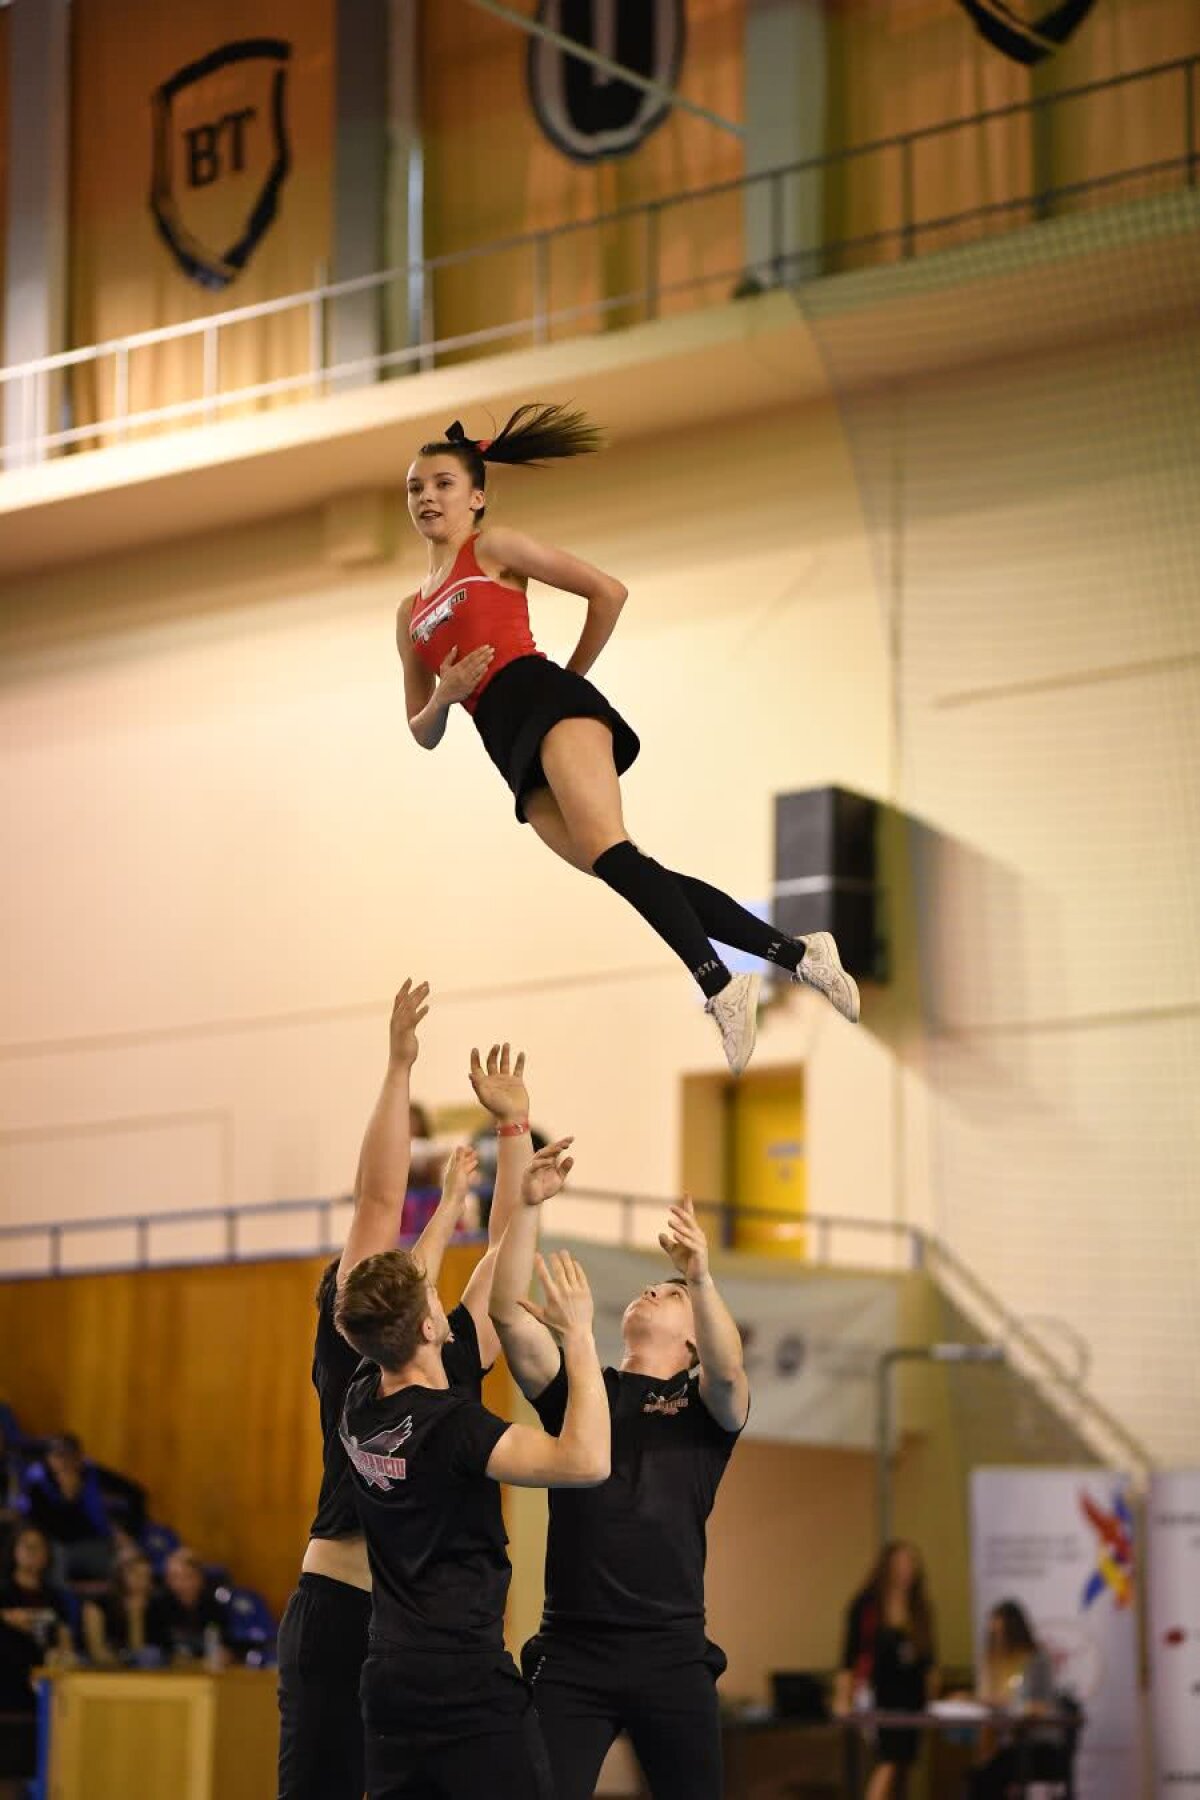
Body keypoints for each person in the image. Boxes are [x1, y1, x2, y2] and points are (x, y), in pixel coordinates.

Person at [395, 405, 860, 1078]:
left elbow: (606, 593)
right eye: (415, 488)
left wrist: (566, 682)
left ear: (476, 496)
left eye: (441, 483)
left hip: (544, 701)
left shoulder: (492, 548)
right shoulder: (409, 614)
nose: (427, 497)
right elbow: (423, 731)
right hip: (503, 740)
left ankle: (719, 983)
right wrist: (445, 691)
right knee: (627, 870)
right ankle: (800, 954)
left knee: (614, 854)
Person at [275, 979, 541, 1800]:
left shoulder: (447, 1350)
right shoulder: (353, 1347)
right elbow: (379, 1200)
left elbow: (505, 1256)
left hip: (428, 1648)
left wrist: (515, 1135)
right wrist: (398, 1067)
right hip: (348, 1604)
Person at [337, 1143, 610, 1800]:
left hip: (390, 1684)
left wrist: (510, 1202)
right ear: (431, 1327)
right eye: (432, 1297)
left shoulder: (360, 1400)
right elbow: (587, 1460)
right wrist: (579, 1340)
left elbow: (414, 1296)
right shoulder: (455, 1427)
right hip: (463, 1684)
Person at [488, 1177, 749, 1800]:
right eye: (651, 1285)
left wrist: (701, 1278)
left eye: (668, 1292)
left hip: (672, 1653)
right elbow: (505, 1314)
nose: (650, 1289)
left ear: (692, 1342)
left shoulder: (705, 1408)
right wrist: (525, 1206)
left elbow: (730, 1368)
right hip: (573, 1650)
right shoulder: (586, 1388)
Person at [835, 1541, 938, 1800]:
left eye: (911, 1564)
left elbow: (928, 1661)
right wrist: (843, 1697)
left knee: (904, 1766)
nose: (906, 1570)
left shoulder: (919, 1608)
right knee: (888, 1761)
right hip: (879, 1695)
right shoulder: (867, 1606)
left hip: (912, 1699)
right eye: (900, 1564)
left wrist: (933, 1697)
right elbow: (850, 1656)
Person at [968, 1600, 1071, 1797]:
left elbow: (1045, 1707)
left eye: (1002, 1634)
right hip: (1008, 1744)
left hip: (1040, 1747)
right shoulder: (993, 1662)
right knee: (980, 1775)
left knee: (987, 1778)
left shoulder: (1036, 1659)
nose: (998, 1641)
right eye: (993, 1635)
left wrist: (1010, 1704)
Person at [20, 1432, 115, 1581]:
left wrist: (125, 1530)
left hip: (90, 1544)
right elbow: (51, 1527)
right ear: (48, 1458)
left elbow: (134, 1493)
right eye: (58, 1456)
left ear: (78, 1458)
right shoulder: (38, 1483)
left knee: (118, 1558)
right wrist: (68, 1499)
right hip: (54, 1544)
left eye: (69, 1456)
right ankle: (62, 1601)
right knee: (57, 1553)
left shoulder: (90, 1474)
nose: (64, 1462)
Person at [82, 1547, 173, 1667]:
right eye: (136, 1574)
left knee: (150, 1655)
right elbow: (97, 1652)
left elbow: (140, 1653)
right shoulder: (97, 1605)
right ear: (119, 1575)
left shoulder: (156, 1605)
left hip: (142, 1670)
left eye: (146, 1576)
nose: (142, 1581)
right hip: (103, 1668)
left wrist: (136, 1617)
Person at [161, 1547, 232, 1665]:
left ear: (199, 1579)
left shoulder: (213, 1607)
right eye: (174, 1577)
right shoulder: (159, 1606)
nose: (179, 1584)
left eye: (187, 1577)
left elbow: (226, 1646)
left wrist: (224, 1654)